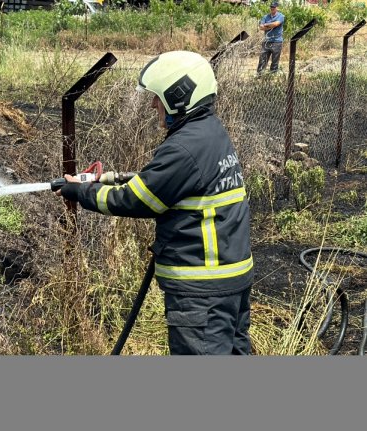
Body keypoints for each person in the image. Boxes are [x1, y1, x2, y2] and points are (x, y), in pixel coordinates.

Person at [55, 51, 254, 355]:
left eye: (157, 98)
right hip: (230, 281)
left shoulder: (184, 147)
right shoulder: (210, 132)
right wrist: (107, 179)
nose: (152, 105)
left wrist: (80, 193)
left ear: (179, 97)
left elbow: (136, 200)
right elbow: (174, 182)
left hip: (202, 292)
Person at [256, 2, 285, 76]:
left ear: (277, 8)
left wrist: (266, 25)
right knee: (262, 59)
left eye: (274, 7)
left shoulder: (281, 16)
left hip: (277, 41)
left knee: (275, 61)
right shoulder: (265, 17)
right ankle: (259, 75)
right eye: (271, 7)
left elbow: (276, 24)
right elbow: (261, 27)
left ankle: (272, 76)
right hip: (267, 41)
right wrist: (271, 25)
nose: (272, 8)